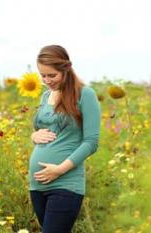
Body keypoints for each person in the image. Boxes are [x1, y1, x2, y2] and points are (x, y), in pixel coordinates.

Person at [28, 45, 101, 233]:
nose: (46, 81)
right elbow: (44, 130)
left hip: (66, 183)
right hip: (37, 186)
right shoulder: (46, 96)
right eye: (42, 76)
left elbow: (91, 142)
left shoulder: (85, 95)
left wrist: (59, 170)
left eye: (51, 75)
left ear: (66, 70)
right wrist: (34, 135)